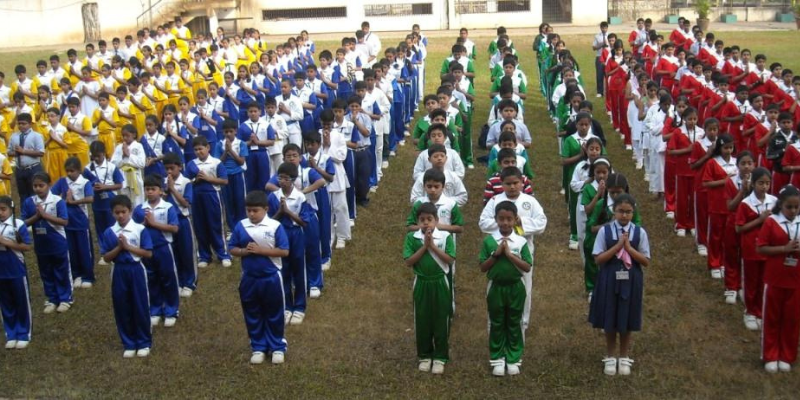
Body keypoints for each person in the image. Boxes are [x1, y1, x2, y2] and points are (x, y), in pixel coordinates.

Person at [588, 193, 651, 376]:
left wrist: (629, 249)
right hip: (609, 276)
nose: (624, 215)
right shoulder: (605, 231)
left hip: (631, 278)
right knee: (610, 315)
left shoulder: (639, 232)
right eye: (620, 211)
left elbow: (645, 260)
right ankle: (610, 355)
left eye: (628, 212)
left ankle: (624, 356)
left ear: (633, 212)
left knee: (627, 314)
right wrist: (617, 247)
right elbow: (598, 259)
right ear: (614, 211)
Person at [479, 167, 547, 330]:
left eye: (516, 183)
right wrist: (505, 223)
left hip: (522, 249)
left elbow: (541, 223)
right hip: (497, 250)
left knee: (525, 285)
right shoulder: (495, 201)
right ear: (501, 184)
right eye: (508, 183)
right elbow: (483, 223)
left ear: (522, 183)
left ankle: (522, 323)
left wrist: (520, 222)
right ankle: (496, 323)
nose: (512, 187)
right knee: (497, 283)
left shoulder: (530, 201)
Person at [229, 190, 289, 365]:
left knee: (274, 312)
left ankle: (277, 346)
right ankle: (258, 346)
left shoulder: (275, 226)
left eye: (255, 210)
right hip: (249, 278)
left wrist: (260, 251)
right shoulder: (241, 226)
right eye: (248, 210)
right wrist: (243, 251)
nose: (251, 214)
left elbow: (284, 251)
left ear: (266, 209)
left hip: (271, 277)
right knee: (252, 312)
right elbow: (232, 247)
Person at [479, 200, 533, 377]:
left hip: (516, 287)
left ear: (515, 219)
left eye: (509, 219)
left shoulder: (520, 242)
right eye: (501, 219)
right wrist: (496, 254)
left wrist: (509, 255)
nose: (505, 223)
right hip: (496, 287)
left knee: (514, 321)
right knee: (497, 322)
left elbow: (527, 266)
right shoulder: (489, 241)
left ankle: (513, 358)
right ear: (496, 219)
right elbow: (483, 267)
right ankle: (498, 358)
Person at [403, 202, 455, 375]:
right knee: (422, 319)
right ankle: (424, 355)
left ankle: (440, 356)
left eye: (429, 219)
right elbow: (409, 261)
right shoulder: (412, 237)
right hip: (422, 282)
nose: (426, 223)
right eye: (422, 219)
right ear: (418, 221)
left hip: (440, 281)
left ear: (436, 220)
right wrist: (424, 246)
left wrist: (432, 246)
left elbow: (450, 259)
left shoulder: (445, 236)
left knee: (441, 319)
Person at [99, 194, 153, 358]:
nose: (121, 216)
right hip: (119, 271)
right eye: (117, 213)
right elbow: (106, 258)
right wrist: (119, 248)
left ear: (130, 211)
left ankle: (143, 341)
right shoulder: (109, 232)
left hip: (136, 270)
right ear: (112, 213)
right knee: (122, 305)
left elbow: (148, 253)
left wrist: (128, 247)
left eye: (124, 212)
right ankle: (129, 342)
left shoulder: (139, 229)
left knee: (140, 304)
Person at [757, 185, 800, 373]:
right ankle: (770, 354)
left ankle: (786, 355)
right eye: (789, 207)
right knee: (772, 317)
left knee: (792, 318)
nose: (793, 211)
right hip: (775, 277)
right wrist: (784, 249)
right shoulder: (771, 222)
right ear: (781, 204)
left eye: (796, 207)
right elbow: (761, 248)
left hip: (796, 279)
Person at [267, 162, 313, 326]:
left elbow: (304, 222)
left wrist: (288, 212)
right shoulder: (273, 197)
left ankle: (299, 307)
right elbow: (269, 221)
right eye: (280, 178)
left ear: (293, 180)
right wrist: (280, 212)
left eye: (286, 178)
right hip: (280, 234)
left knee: (298, 268)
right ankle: (287, 306)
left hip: (295, 234)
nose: (282, 181)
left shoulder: (300, 197)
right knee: (283, 269)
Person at [132, 174, 180, 328]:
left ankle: (171, 310)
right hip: (146, 249)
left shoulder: (167, 207)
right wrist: (144, 224)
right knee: (151, 278)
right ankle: (155, 309)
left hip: (163, 247)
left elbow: (174, 228)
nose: (150, 192)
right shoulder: (140, 209)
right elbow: (134, 229)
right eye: (147, 189)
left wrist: (154, 224)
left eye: (153, 189)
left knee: (168, 277)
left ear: (160, 191)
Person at [22, 172, 70, 314]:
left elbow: (64, 221)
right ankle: (51, 298)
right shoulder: (29, 202)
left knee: (61, 271)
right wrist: (37, 217)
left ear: (49, 185)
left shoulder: (57, 201)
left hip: (57, 242)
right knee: (46, 272)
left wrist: (45, 215)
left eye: (41, 185)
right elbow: (23, 223)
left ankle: (65, 298)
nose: (38, 188)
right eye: (35, 186)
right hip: (41, 245)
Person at [185, 136, 231, 268]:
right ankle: (204, 255)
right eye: (195, 150)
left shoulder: (216, 162)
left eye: (200, 149)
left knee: (216, 225)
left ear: (208, 148)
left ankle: (223, 254)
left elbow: (224, 180)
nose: (198, 152)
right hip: (197, 197)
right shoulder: (191, 164)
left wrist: (208, 178)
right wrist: (196, 180)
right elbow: (186, 181)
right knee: (200, 226)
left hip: (213, 196)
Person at [51, 157, 94, 288]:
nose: (69, 173)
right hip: (67, 222)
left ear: (79, 170)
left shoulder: (85, 182)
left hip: (81, 222)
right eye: (67, 171)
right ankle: (76, 274)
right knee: (72, 250)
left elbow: (90, 198)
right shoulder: (62, 181)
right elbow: (52, 195)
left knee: (84, 250)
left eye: (72, 171)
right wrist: (63, 201)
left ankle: (88, 276)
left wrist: (73, 202)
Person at [701, 134, 737, 279]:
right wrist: (725, 181)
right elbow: (706, 182)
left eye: (731, 148)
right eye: (725, 148)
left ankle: (724, 262)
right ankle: (714, 263)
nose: (728, 151)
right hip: (716, 204)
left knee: (728, 237)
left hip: (731, 205)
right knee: (716, 235)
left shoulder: (736, 162)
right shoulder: (712, 163)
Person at [722, 151, 755, 304]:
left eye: (749, 163)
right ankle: (731, 286)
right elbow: (730, 206)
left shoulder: (759, 181)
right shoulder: (731, 181)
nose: (746, 167)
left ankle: (743, 285)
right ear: (737, 166)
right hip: (734, 221)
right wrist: (742, 191)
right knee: (731, 253)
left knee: (747, 254)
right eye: (743, 163)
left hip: (750, 223)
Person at [0, 195, 32, 350]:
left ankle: (24, 333)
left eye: (3, 209)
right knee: (5, 304)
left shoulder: (18, 224)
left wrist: (5, 242)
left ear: (11, 209)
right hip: (1, 272)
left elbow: (26, 246)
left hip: (16, 270)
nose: (0, 213)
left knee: (21, 302)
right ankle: (11, 333)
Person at [84, 141, 123, 266]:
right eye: (94, 156)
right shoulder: (87, 168)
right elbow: (85, 185)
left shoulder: (111, 167)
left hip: (111, 201)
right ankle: (104, 252)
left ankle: (116, 249)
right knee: (100, 227)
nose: (96, 158)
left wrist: (105, 187)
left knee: (112, 226)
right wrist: (92, 188)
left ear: (104, 153)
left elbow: (119, 184)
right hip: (97, 203)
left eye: (98, 156)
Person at [213, 119, 248, 234]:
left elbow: (241, 162)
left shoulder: (241, 143)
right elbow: (218, 162)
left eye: (230, 131)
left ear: (235, 131)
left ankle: (242, 227)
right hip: (225, 177)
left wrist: (231, 151)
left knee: (240, 200)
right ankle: (231, 229)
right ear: (223, 132)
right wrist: (225, 151)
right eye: (226, 132)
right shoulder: (219, 144)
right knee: (228, 202)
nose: (228, 134)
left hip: (238, 174)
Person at [237, 102, 275, 193]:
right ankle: (251, 198)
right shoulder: (243, 126)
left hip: (262, 152)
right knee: (250, 178)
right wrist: (249, 143)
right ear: (247, 113)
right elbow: (238, 143)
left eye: (255, 111)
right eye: (251, 111)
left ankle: (265, 198)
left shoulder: (266, 124)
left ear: (260, 112)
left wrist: (258, 142)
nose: (253, 113)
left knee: (264, 177)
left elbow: (271, 141)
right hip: (248, 153)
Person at [8, 113, 44, 202]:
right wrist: (15, 152)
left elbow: (41, 152)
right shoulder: (14, 136)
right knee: (22, 194)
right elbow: (9, 152)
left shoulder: (36, 136)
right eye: (19, 123)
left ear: (30, 124)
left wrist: (23, 151)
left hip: (33, 168)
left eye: (24, 124)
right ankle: (24, 210)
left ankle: (35, 209)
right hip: (19, 169)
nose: (21, 126)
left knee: (34, 193)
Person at [111, 124, 146, 206]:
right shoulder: (119, 147)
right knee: (125, 200)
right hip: (123, 176)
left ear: (134, 135)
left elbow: (142, 163)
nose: (125, 138)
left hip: (135, 177)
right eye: (123, 136)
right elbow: (113, 164)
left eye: (127, 135)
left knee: (137, 200)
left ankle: (137, 212)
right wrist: (123, 157)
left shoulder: (138, 146)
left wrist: (129, 155)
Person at [592, 22, 610, 98]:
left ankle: (609, 90)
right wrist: (602, 44)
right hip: (599, 56)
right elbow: (594, 47)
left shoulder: (610, 35)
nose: (604, 29)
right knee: (599, 74)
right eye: (602, 28)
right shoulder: (597, 36)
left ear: (607, 28)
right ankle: (600, 92)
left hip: (608, 56)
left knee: (608, 74)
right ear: (600, 28)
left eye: (605, 28)